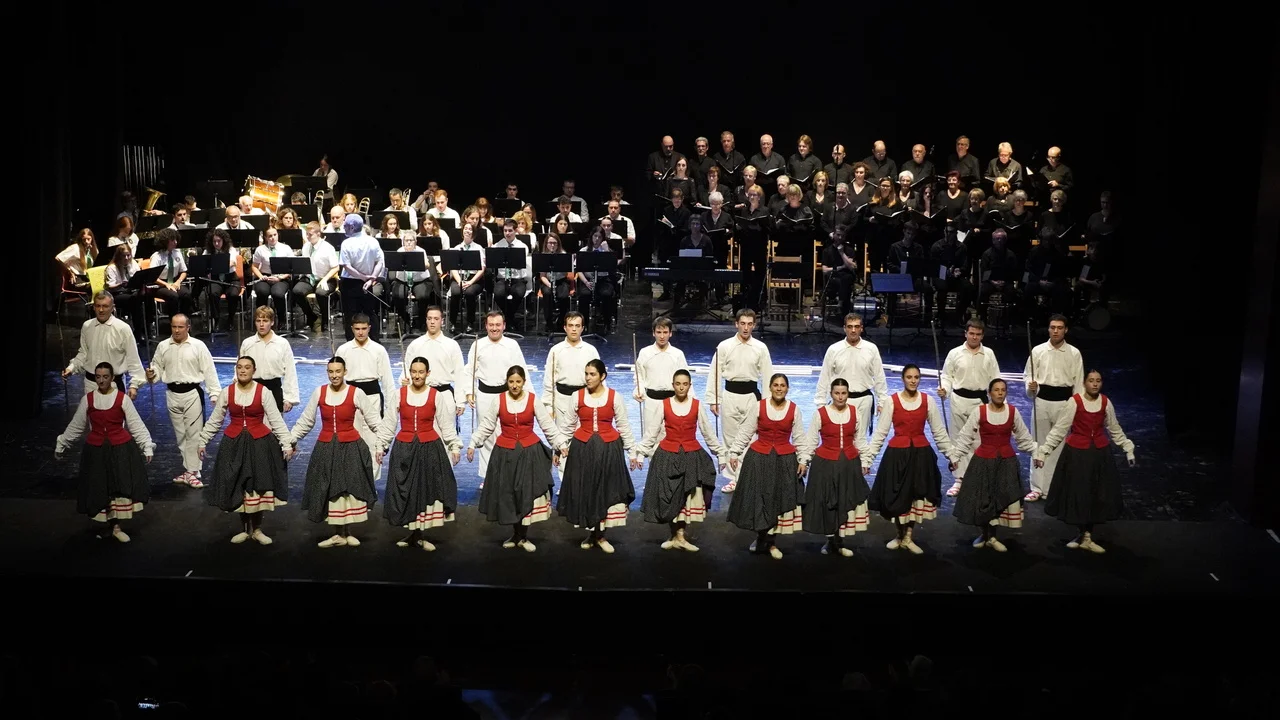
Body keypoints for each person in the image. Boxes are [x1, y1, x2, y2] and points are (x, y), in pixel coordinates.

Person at [467, 365, 569, 552]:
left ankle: (523, 536)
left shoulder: (532, 400)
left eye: (518, 382)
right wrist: (473, 443)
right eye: (511, 382)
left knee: (526, 493)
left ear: (524, 382)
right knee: (510, 494)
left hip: (529, 453)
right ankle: (516, 534)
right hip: (505, 454)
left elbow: (547, 425)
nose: (514, 385)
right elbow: (487, 425)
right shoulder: (499, 400)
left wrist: (560, 444)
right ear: (507, 382)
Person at [1033, 370, 1137, 553]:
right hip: (1077, 454)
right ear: (1084, 383)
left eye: (1098, 381)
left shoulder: (1105, 402)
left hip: (1099, 454)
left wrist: (1127, 449)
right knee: (1079, 493)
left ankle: (1087, 536)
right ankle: (1082, 534)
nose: (1095, 384)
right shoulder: (1075, 402)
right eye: (1091, 381)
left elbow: (1114, 428)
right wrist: (1043, 452)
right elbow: (1060, 429)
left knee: (1095, 494)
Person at [197, 356, 294, 544]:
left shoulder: (263, 392)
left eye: (247, 367)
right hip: (234, 444)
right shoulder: (228, 392)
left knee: (257, 486)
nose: (243, 370)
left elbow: (275, 419)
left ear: (253, 370)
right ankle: (244, 529)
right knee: (238, 485)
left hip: (259, 443)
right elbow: (216, 419)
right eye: (240, 367)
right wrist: (203, 441)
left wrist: (287, 443)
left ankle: (256, 529)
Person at [289, 356, 384, 548]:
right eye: (331, 372)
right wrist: (291, 439)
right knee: (331, 489)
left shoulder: (356, 393)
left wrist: (381, 443)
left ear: (345, 372)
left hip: (350, 447)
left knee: (349, 488)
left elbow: (374, 420)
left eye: (338, 371)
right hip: (326, 447)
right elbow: (307, 420)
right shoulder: (320, 392)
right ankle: (337, 534)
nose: (334, 375)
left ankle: (346, 532)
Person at [54, 362, 154, 543]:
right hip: (97, 450)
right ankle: (109, 526)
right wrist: (63, 443)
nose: (101, 380)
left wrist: (146, 445)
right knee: (100, 486)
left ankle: (116, 528)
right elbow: (77, 425)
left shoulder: (122, 398)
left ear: (112, 378)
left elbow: (135, 424)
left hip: (120, 449)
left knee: (118, 487)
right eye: (98, 377)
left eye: (105, 377)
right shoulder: (88, 399)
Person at [631, 368, 726, 552]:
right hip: (668, 455)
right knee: (669, 496)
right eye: (678, 384)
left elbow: (707, 432)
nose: (681, 387)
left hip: (691, 456)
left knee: (687, 496)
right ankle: (674, 535)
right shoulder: (664, 404)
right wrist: (640, 453)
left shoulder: (696, 405)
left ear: (690, 385)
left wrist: (720, 454)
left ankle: (680, 536)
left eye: (685, 384)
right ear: (673, 385)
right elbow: (652, 432)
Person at [863, 365, 954, 554]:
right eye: (909, 377)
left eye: (916, 377)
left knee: (916, 496)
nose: (913, 380)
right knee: (898, 496)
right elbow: (880, 432)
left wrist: (951, 455)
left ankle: (908, 537)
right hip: (898, 456)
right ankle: (899, 534)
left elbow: (938, 431)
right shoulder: (892, 401)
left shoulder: (927, 401)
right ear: (903, 379)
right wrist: (868, 459)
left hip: (920, 456)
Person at [375, 356, 462, 552]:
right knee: (407, 491)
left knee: (426, 490)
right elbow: (389, 422)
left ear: (427, 373)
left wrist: (454, 446)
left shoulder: (435, 395)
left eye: (421, 372)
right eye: (414, 372)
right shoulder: (399, 394)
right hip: (404, 448)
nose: (417, 375)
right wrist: (381, 445)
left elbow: (446, 424)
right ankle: (413, 534)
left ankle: (420, 535)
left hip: (429, 448)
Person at [725, 374, 811, 559]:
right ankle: (761, 537)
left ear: (787, 388)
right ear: (770, 388)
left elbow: (799, 437)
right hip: (759, 459)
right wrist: (734, 452)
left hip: (783, 460)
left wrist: (803, 459)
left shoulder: (794, 409)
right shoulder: (759, 406)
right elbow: (746, 431)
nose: (779, 388)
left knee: (777, 500)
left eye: (782, 385)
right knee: (760, 500)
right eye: (776, 385)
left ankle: (771, 542)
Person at [948, 378, 1038, 552]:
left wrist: (1036, 453)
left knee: (1000, 498)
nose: (1000, 393)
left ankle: (993, 537)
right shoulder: (980, 411)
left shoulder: (1012, 412)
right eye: (996, 390)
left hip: (1006, 462)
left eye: (1003, 390)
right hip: (984, 461)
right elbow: (966, 436)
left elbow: (1023, 436)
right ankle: (984, 534)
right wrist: (955, 457)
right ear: (989, 393)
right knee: (984, 498)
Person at [557, 359, 637, 553]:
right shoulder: (577, 396)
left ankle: (601, 536)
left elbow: (623, 426)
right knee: (587, 490)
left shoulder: (614, 397)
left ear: (602, 376)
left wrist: (632, 452)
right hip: (583, 449)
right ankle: (592, 534)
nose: (588, 378)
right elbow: (567, 426)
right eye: (586, 374)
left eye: (592, 374)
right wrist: (559, 447)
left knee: (605, 491)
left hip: (608, 449)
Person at [145, 314, 221, 488]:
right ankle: (190, 470)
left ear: (188, 327)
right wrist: (151, 375)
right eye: (174, 327)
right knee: (181, 436)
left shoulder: (198, 346)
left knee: (194, 434)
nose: (177, 330)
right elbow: (157, 369)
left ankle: (193, 472)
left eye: (180, 327)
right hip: (172, 394)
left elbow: (209, 370)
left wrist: (214, 393)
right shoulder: (163, 346)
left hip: (192, 394)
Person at [802, 379, 871, 557]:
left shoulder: (855, 412)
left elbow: (860, 439)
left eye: (844, 393)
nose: (840, 397)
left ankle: (839, 542)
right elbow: (811, 441)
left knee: (844, 500)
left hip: (848, 463)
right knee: (828, 502)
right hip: (825, 464)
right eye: (837, 393)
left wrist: (865, 461)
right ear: (831, 394)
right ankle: (831, 541)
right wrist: (804, 461)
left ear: (848, 394)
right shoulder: (821, 414)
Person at [707, 309, 774, 491]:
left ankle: (748, 476)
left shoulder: (760, 348)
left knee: (750, 439)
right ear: (736, 324)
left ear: (754, 325)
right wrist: (714, 399)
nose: (746, 328)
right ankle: (734, 479)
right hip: (730, 396)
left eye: (749, 324)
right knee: (730, 438)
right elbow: (715, 372)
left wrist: (768, 403)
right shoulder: (725, 346)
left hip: (751, 397)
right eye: (742, 323)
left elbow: (767, 375)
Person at [1024, 314, 1084, 502]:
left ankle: (1051, 488)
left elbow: (1078, 383)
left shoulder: (1074, 353)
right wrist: (1031, 386)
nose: (1056, 331)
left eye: (1059, 328)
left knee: (1057, 447)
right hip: (1042, 401)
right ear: (1048, 329)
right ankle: (1036, 487)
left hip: (1064, 404)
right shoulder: (1038, 351)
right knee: (1038, 444)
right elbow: (1028, 375)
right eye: (1052, 327)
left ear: (1066, 330)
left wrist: (1077, 409)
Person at [938, 319, 1002, 498]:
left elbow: (995, 379)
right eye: (971, 333)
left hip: (979, 402)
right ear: (965, 333)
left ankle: (977, 479)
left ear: (982, 335)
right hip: (959, 400)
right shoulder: (955, 353)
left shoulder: (988, 354)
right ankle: (959, 480)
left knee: (978, 442)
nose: (974, 337)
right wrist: (944, 389)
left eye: (978, 334)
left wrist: (996, 401)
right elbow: (947, 376)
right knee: (958, 442)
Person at [460, 311, 527, 480]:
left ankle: (508, 475)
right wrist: (469, 392)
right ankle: (488, 477)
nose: (494, 328)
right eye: (491, 325)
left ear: (504, 326)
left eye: (498, 325)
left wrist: (527, 398)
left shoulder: (512, 345)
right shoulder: (478, 345)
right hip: (485, 396)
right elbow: (469, 371)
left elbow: (522, 371)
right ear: (486, 326)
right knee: (486, 436)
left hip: (507, 396)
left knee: (508, 434)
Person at [814, 313, 889, 438]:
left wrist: (882, 402)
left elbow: (879, 377)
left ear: (861, 328)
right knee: (840, 438)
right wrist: (821, 404)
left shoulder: (871, 349)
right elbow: (825, 377)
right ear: (844, 328)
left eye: (856, 326)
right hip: (841, 401)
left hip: (864, 401)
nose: (853, 330)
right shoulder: (834, 349)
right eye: (850, 327)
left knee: (860, 439)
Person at [62, 291, 145, 397]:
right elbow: (84, 353)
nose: (101, 310)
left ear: (112, 307)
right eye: (98, 306)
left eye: (105, 306)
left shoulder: (123, 329)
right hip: (91, 386)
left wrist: (134, 385)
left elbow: (133, 359)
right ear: (93, 307)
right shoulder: (87, 326)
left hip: (114, 387)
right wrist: (71, 368)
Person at [399, 306, 466, 432]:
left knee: (447, 434)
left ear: (442, 321)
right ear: (426, 320)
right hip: (421, 395)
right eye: (429, 318)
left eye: (436, 318)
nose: (432, 322)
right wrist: (404, 380)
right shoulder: (415, 345)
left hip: (445, 395)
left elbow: (460, 374)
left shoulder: (451, 345)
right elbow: (407, 369)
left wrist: (460, 401)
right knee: (422, 433)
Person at [633, 317, 691, 443]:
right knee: (650, 438)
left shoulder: (677, 354)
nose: (662, 336)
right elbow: (639, 376)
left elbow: (685, 379)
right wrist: (639, 389)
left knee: (672, 438)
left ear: (670, 333)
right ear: (653, 333)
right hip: (651, 402)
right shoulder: (645, 353)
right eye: (659, 332)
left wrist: (690, 402)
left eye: (665, 332)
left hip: (672, 402)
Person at [239, 306, 300, 415]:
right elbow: (239, 369)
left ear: (272, 322)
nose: (261, 324)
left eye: (265, 321)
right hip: (252, 390)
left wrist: (289, 398)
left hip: (274, 389)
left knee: (275, 424)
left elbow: (290, 372)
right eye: (258, 321)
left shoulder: (282, 344)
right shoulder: (247, 343)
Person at [541, 312, 600, 422]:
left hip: (585, 401)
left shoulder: (591, 351)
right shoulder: (556, 350)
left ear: (582, 328)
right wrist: (548, 406)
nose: (574, 329)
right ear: (565, 327)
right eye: (570, 325)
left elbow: (599, 379)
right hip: (561, 402)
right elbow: (549, 380)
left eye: (577, 326)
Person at [338, 213, 387, 341]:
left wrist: (363, 277)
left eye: (345, 225)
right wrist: (371, 278)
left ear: (352, 228)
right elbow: (380, 262)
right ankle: (375, 340)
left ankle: (351, 342)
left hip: (350, 283)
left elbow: (347, 266)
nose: (344, 227)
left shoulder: (346, 243)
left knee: (350, 314)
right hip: (368, 283)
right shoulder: (373, 241)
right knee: (369, 312)